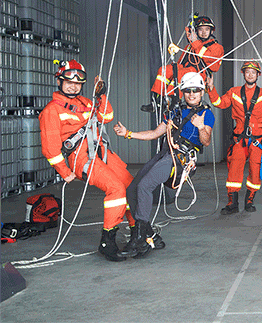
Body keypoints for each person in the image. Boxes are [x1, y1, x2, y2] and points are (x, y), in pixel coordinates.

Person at [39, 59, 135, 262]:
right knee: (116, 189)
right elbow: (50, 148)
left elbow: (106, 116)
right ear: (59, 82)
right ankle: (107, 241)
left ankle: (139, 230)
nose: (74, 85)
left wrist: (101, 95)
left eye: (78, 82)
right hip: (80, 158)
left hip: (101, 151)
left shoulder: (86, 103)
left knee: (130, 186)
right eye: (69, 81)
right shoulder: (51, 111)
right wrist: (65, 172)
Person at [113, 72, 214, 258]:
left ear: (202, 92)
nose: (192, 94)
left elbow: (206, 141)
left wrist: (200, 126)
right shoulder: (175, 112)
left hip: (181, 159)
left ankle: (140, 238)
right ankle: (150, 234)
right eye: (188, 91)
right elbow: (154, 133)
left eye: (196, 91)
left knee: (144, 187)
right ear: (183, 92)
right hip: (165, 154)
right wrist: (128, 133)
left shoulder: (206, 114)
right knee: (132, 189)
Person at [206, 61, 262, 214]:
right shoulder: (234, 92)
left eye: (253, 72)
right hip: (239, 139)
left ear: (258, 75)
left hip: (257, 140)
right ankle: (232, 203)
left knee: (255, 171)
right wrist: (211, 89)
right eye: (247, 72)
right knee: (234, 171)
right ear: (243, 74)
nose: (250, 74)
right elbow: (220, 103)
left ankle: (249, 202)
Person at [141, 14, 224, 113]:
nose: (204, 32)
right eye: (201, 29)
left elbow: (212, 64)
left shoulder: (216, 47)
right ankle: (157, 100)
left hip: (200, 73)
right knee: (165, 70)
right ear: (196, 31)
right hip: (186, 70)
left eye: (206, 29)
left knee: (180, 74)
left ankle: (175, 101)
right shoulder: (190, 46)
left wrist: (195, 42)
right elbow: (181, 61)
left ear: (211, 31)